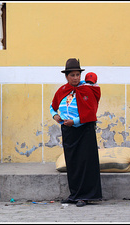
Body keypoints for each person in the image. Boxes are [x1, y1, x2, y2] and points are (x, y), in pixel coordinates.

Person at [50, 58, 102, 207]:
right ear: (66, 76)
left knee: (85, 163)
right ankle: (74, 195)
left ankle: (85, 196)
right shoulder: (62, 90)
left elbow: (91, 111)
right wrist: (55, 116)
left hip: (84, 131)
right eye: (72, 75)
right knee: (72, 163)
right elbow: (52, 107)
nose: (75, 78)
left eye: (77, 75)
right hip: (68, 131)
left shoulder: (87, 90)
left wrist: (76, 121)